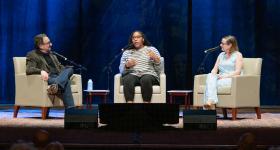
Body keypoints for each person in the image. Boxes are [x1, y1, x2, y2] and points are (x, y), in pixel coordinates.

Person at [26, 33, 74, 108]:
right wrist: (41, 71)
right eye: (48, 43)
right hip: (50, 78)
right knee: (66, 81)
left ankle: (58, 85)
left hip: (58, 77)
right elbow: (29, 69)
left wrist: (65, 69)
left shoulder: (52, 54)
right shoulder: (32, 54)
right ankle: (71, 111)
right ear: (40, 45)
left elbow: (59, 67)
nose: (51, 44)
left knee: (70, 68)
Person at [119, 30, 161, 103]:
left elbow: (159, 69)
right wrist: (126, 66)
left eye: (138, 37)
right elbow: (121, 70)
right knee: (128, 79)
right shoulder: (127, 52)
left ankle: (146, 105)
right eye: (133, 38)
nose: (135, 39)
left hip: (149, 74)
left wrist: (156, 59)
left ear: (143, 39)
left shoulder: (151, 49)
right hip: (133, 74)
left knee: (145, 79)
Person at [203, 35, 243, 109]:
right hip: (221, 77)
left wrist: (224, 76)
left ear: (230, 45)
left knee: (210, 83)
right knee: (210, 76)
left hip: (232, 78)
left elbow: (238, 71)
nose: (220, 45)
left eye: (223, 43)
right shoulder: (221, 55)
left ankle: (210, 105)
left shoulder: (238, 55)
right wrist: (213, 74)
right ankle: (210, 102)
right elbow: (215, 69)